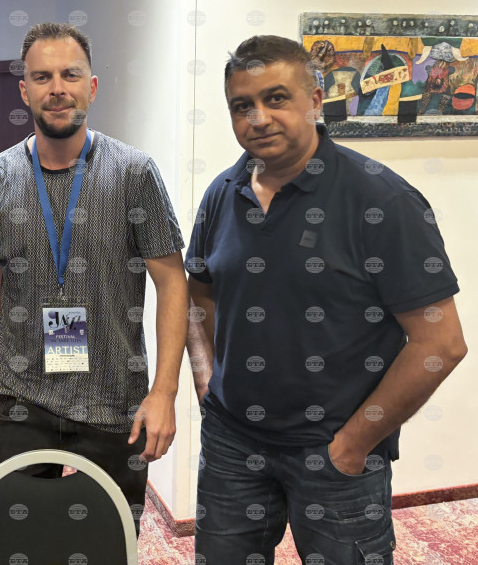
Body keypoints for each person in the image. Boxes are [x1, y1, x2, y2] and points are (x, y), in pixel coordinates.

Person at [185, 35, 467, 564]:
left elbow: (441, 343)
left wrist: (354, 444)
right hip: (231, 445)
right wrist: (206, 378)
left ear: (315, 100)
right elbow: (198, 292)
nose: (258, 118)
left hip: (335, 454)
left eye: (276, 98)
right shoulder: (223, 193)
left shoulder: (381, 200)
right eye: (242, 106)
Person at [0, 22, 188, 532]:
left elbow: (173, 283)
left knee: (108, 539)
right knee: (18, 537)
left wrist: (165, 392)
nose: (57, 88)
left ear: (92, 86)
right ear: (25, 90)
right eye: (42, 77)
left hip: (114, 399)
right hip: (22, 399)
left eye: (70, 75)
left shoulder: (134, 173)